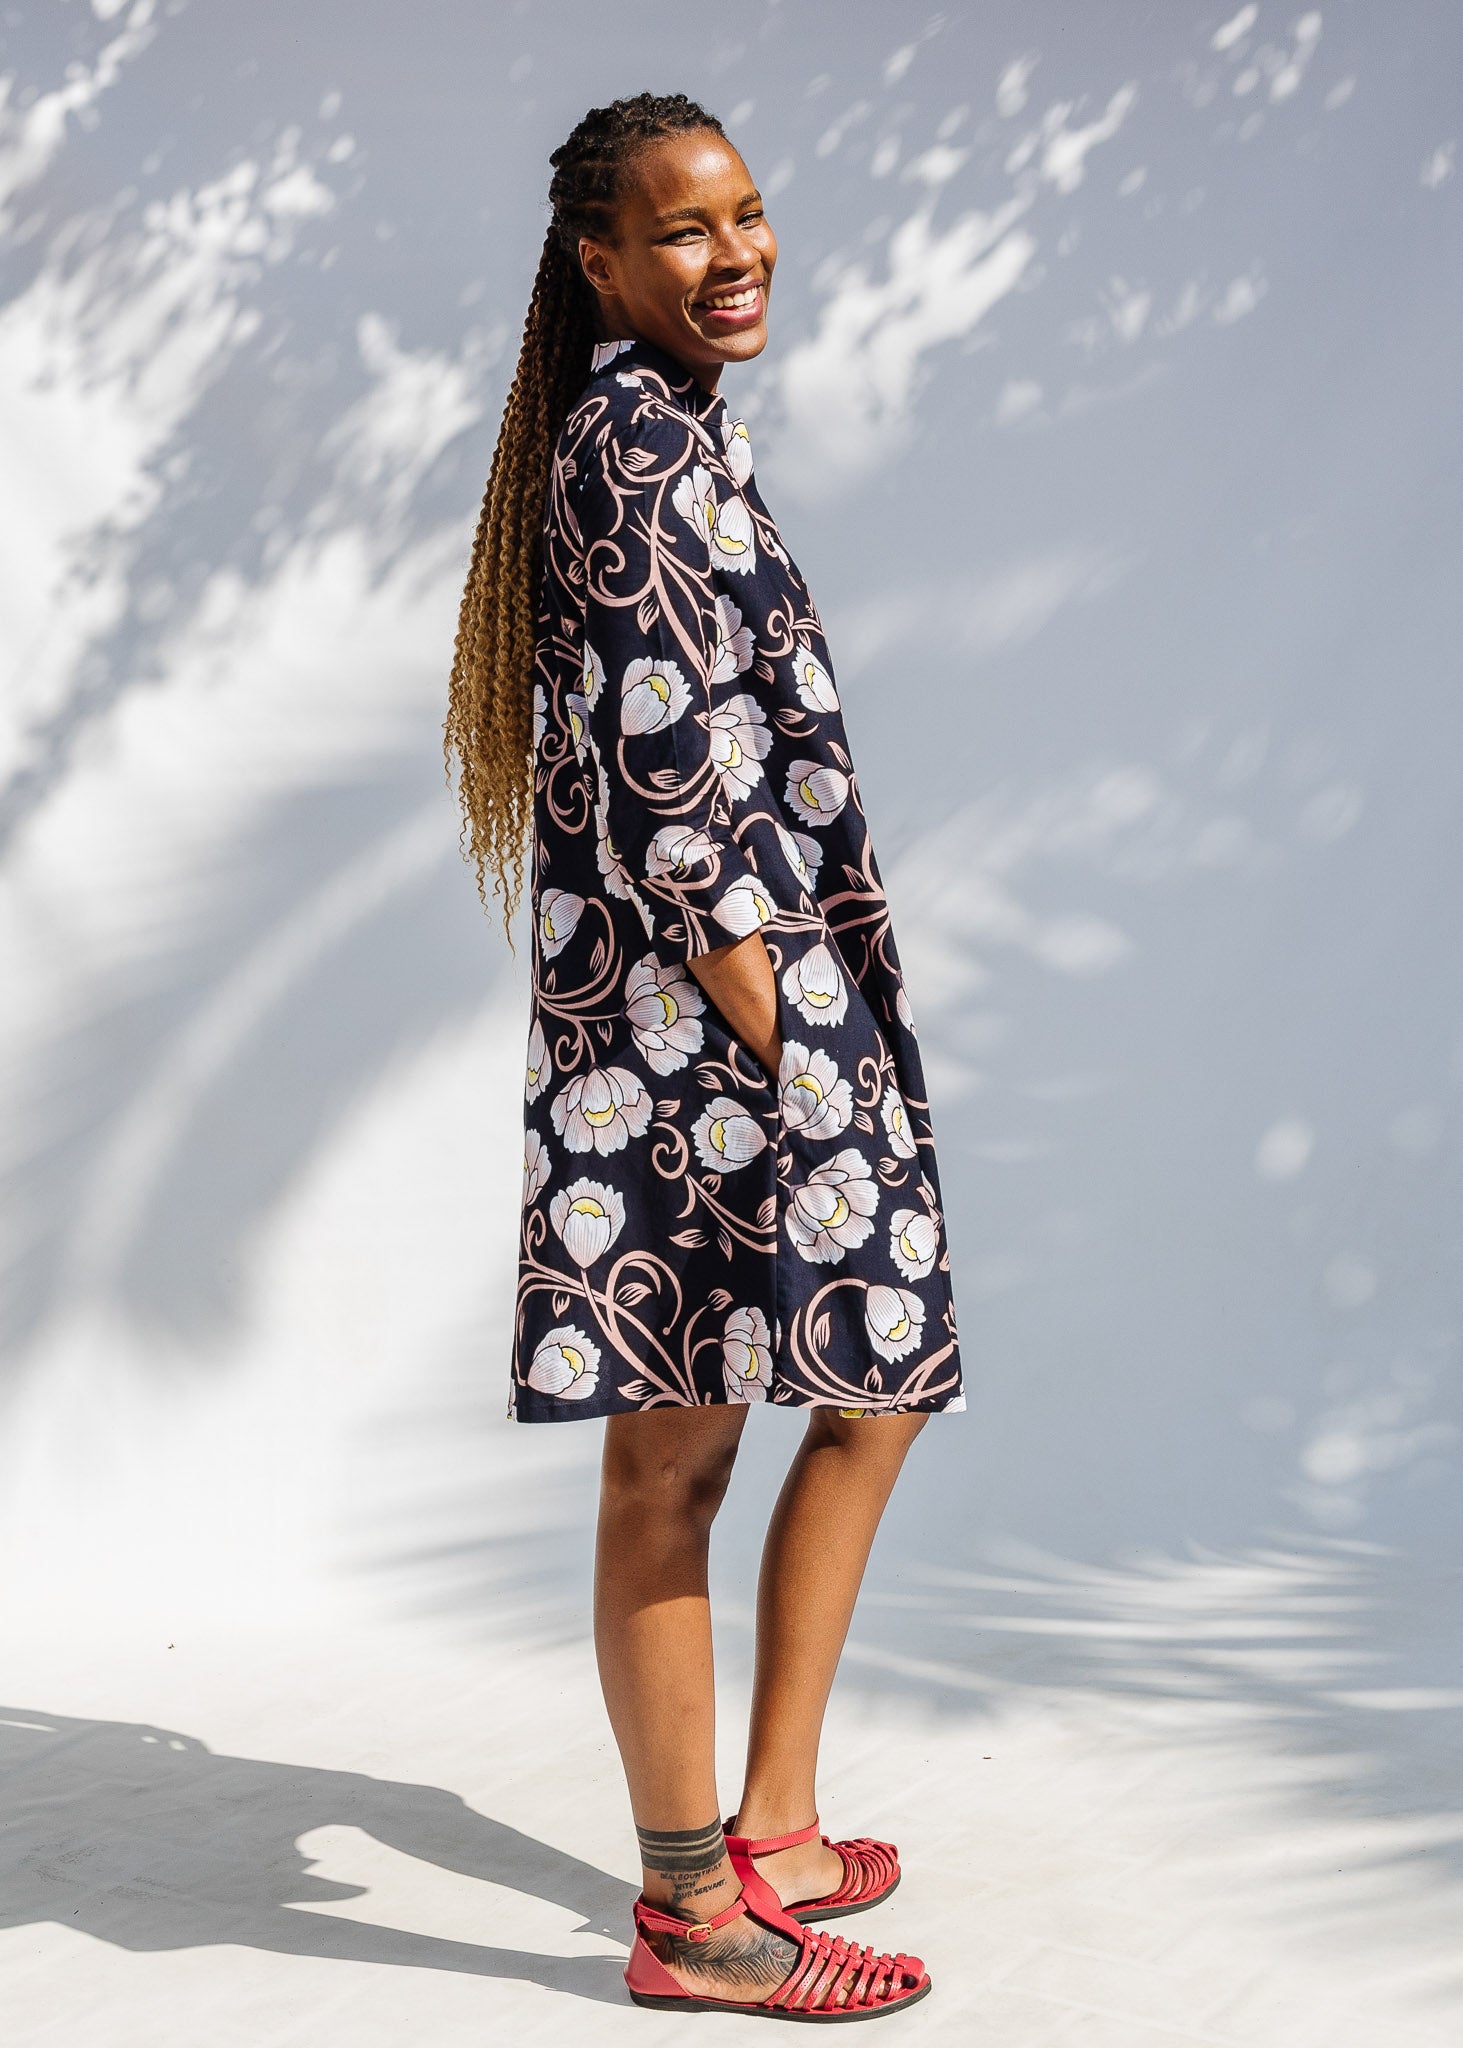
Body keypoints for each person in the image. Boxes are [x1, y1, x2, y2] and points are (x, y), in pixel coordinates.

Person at [446, 91, 963, 2022]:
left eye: (747, 214)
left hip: (736, 1021)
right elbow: (675, 794)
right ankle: (695, 1915)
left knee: (863, 1383)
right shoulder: (628, 447)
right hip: (705, 1038)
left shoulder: (670, 430)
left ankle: (778, 1826)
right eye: (682, 231)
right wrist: (793, 1044)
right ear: (600, 265)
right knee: (672, 1461)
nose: (733, 252)